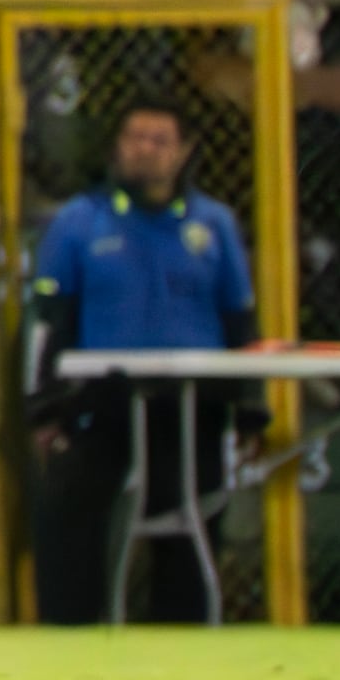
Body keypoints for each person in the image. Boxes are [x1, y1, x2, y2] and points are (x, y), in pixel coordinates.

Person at [24, 105, 259, 626]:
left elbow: (239, 320)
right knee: (68, 513)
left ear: (183, 151)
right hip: (100, 399)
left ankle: (185, 640)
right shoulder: (78, 222)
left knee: (191, 519)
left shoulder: (214, 224)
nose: (144, 149)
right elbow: (50, 319)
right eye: (134, 137)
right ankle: (68, 634)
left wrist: (249, 403)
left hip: (192, 399)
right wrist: (44, 406)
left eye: (158, 139)